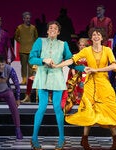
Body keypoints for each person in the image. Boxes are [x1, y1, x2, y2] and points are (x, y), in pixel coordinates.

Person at [53, 27, 116, 150]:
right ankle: (84, 139)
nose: (96, 36)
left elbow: (114, 66)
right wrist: (57, 65)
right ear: (91, 37)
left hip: (104, 84)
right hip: (90, 85)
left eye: (98, 34)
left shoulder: (107, 50)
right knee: (87, 111)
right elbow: (72, 60)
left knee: (108, 111)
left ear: (102, 37)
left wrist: (97, 70)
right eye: (94, 34)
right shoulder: (87, 50)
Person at [29, 21, 84, 150]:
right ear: (47, 31)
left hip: (57, 78)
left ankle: (61, 138)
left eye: (55, 28)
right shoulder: (39, 42)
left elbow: (70, 62)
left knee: (57, 108)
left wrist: (83, 68)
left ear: (58, 32)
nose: (53, 30)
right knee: (41, 108)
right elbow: (32, 58)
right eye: (50, 28)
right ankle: (34, 138)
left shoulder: (63, 44)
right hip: (43, 77)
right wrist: (43, 60)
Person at [15, 11, 38, 84]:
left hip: (31, 50)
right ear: (23, 19)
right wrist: (21, 42)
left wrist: (32, 44)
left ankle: (30, 79)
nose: (28, 19)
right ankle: (24, 79)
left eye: (29, 18)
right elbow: (16, 37)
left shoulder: (33, 27)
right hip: (22, 50)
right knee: (23, 66)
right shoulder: (19, 27)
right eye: (26, 18)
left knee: (31, 66)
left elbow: (36, 37)